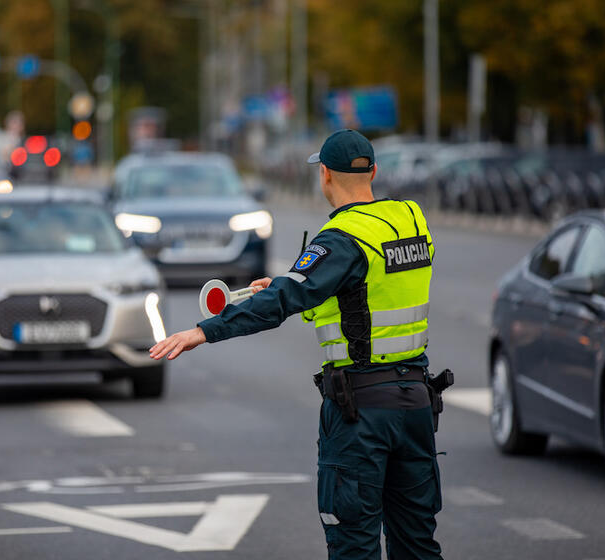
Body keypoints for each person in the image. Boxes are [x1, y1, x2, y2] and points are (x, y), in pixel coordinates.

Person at [149, 129, 443, 560]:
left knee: (354, 547)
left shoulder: (342, 237)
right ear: (373, 171)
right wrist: (294, 285)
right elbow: (366, 292)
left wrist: (204, 331)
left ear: (324, 174)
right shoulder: (412, 218)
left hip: (361, 410)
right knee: (417, 545)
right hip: (416, 402)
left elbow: (283, 301)